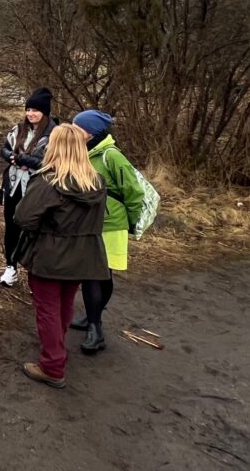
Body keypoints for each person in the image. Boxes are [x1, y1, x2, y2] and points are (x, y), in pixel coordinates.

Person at [14, 124, 109, 389]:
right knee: (65, 304)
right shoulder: (96, 182)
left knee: (47, 309)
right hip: (84, 256)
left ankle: (52, 366)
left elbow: (23, 218)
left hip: (51, 255)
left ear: (53, 147)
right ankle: (56, 347)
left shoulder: (48, 182)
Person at [69, 110, 145, 354]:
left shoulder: (111, 156)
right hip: (89, 224)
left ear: (90, 132)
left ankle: (95, 328)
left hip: (111, 225)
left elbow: (134, 192)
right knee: (96, 275)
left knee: (98, 275)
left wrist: (130, 223)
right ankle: (93, 317)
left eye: (76, 127)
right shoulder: (84, 152)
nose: (72, 130)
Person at [0, 87, 57, 287]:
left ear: (45, 112)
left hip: (38, 187)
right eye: (29, 109)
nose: (31, 114)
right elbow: (4, 149)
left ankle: (35, 274)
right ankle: (10, 267)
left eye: (36, 110)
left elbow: (53, 163)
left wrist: (27, 161)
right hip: (13, 185)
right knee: (11, 226)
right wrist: (12, 157)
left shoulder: (55, 134)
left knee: (35, 229)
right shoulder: (18, 129)